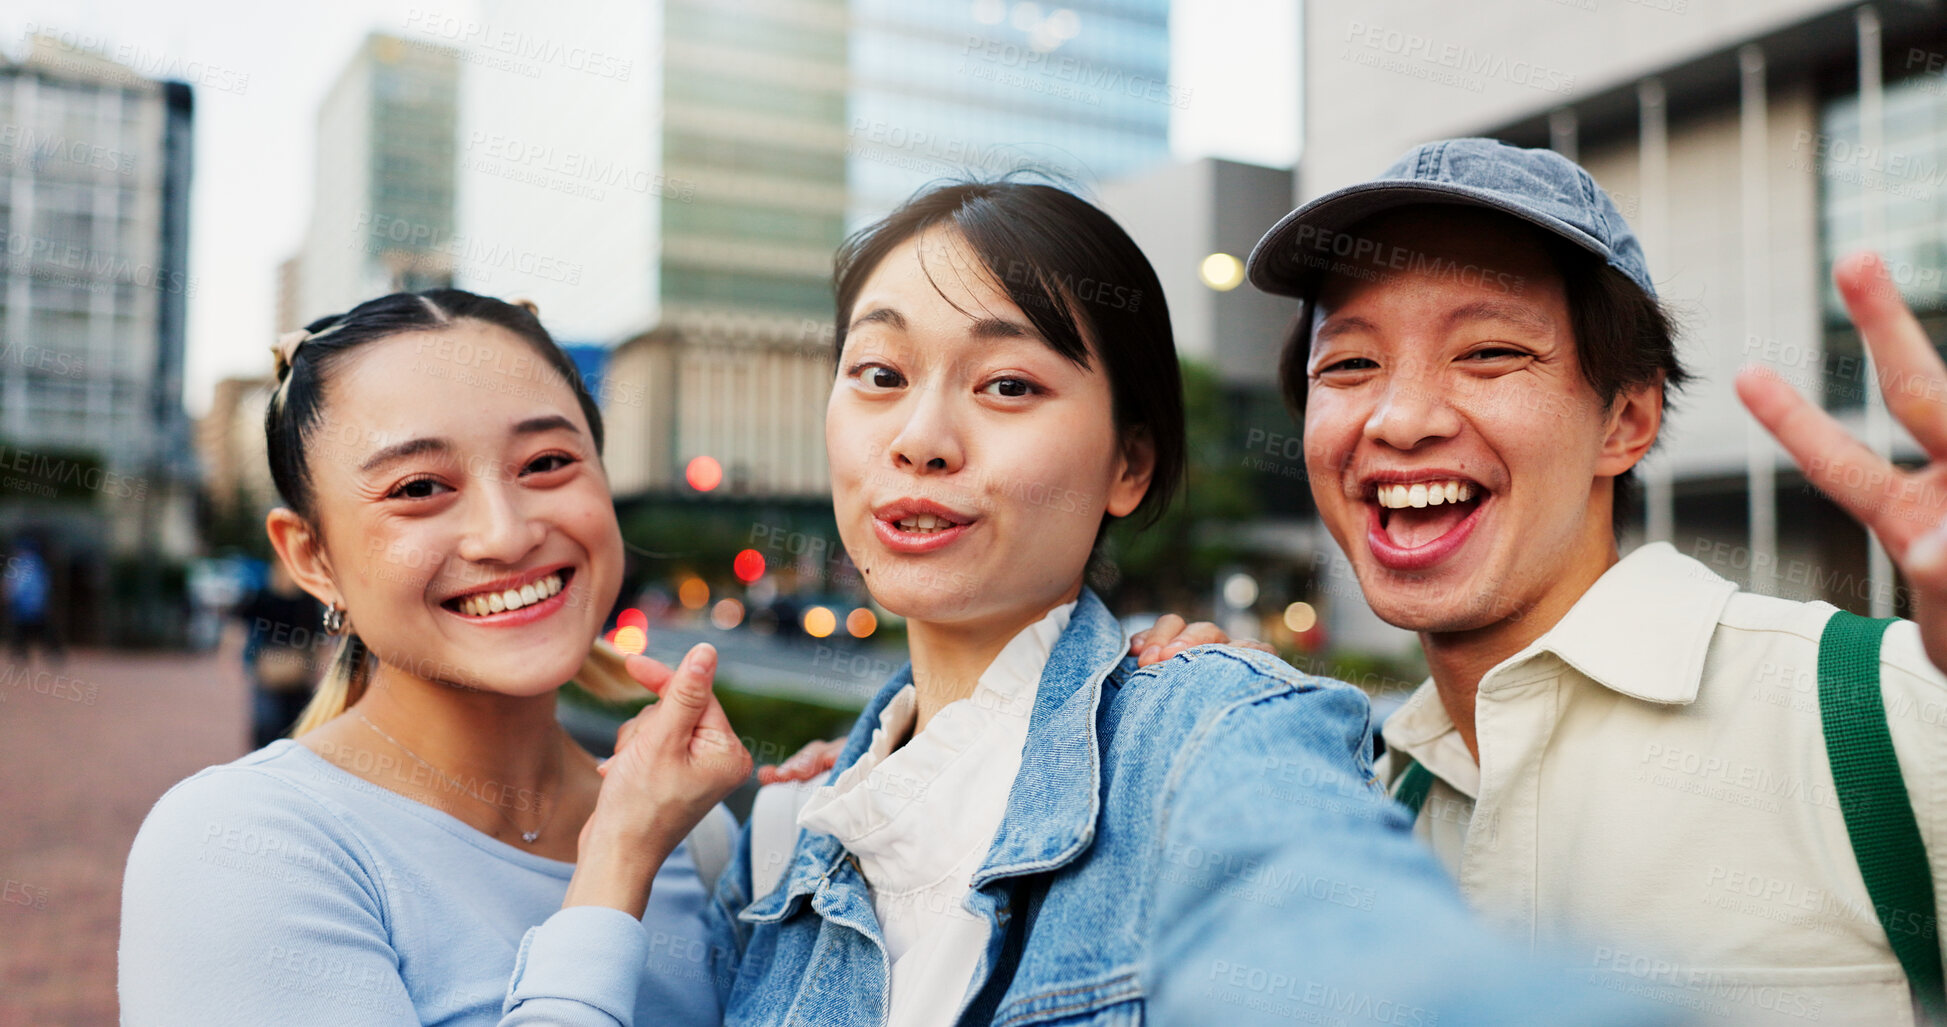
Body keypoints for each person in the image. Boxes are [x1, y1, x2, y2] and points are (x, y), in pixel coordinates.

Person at [620, 180, 1665, 1025]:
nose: (921, 438)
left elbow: (1335, 938)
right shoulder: (780, 844)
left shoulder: (1211, 735)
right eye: (880, 372)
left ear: (1129, 463)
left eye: (1008, 385)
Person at [1136, 137, 1947, 1025]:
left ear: (1624, 421)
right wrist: (1221, 718)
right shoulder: (1362, 792)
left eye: (1486, 353)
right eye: (1350, 365)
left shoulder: (1869, 710)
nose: (1400, 419)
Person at [119, 291, 749, 1025]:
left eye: (547, 462)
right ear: (311, 556)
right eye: (419, 487)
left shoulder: (697, 833)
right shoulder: (237, 844)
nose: (504, 534)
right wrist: (616, 864)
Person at [236, 558, 325, 747]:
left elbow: (317, 637)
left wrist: (316, 667)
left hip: (298, 673)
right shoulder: (264, 595)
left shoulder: (306, 600)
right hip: (269, 671)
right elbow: (242, 625)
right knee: (267, 724)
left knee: (297, 728)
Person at [5, 536, 62, 664]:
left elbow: (16, 585)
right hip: (34, 604)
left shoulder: (24, 563)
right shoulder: (37, 563)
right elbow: (45, 585)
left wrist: (9, 595)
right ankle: (52, 653)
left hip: (26, 604)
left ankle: (22, 654)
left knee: (26, 630)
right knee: (34, 630)